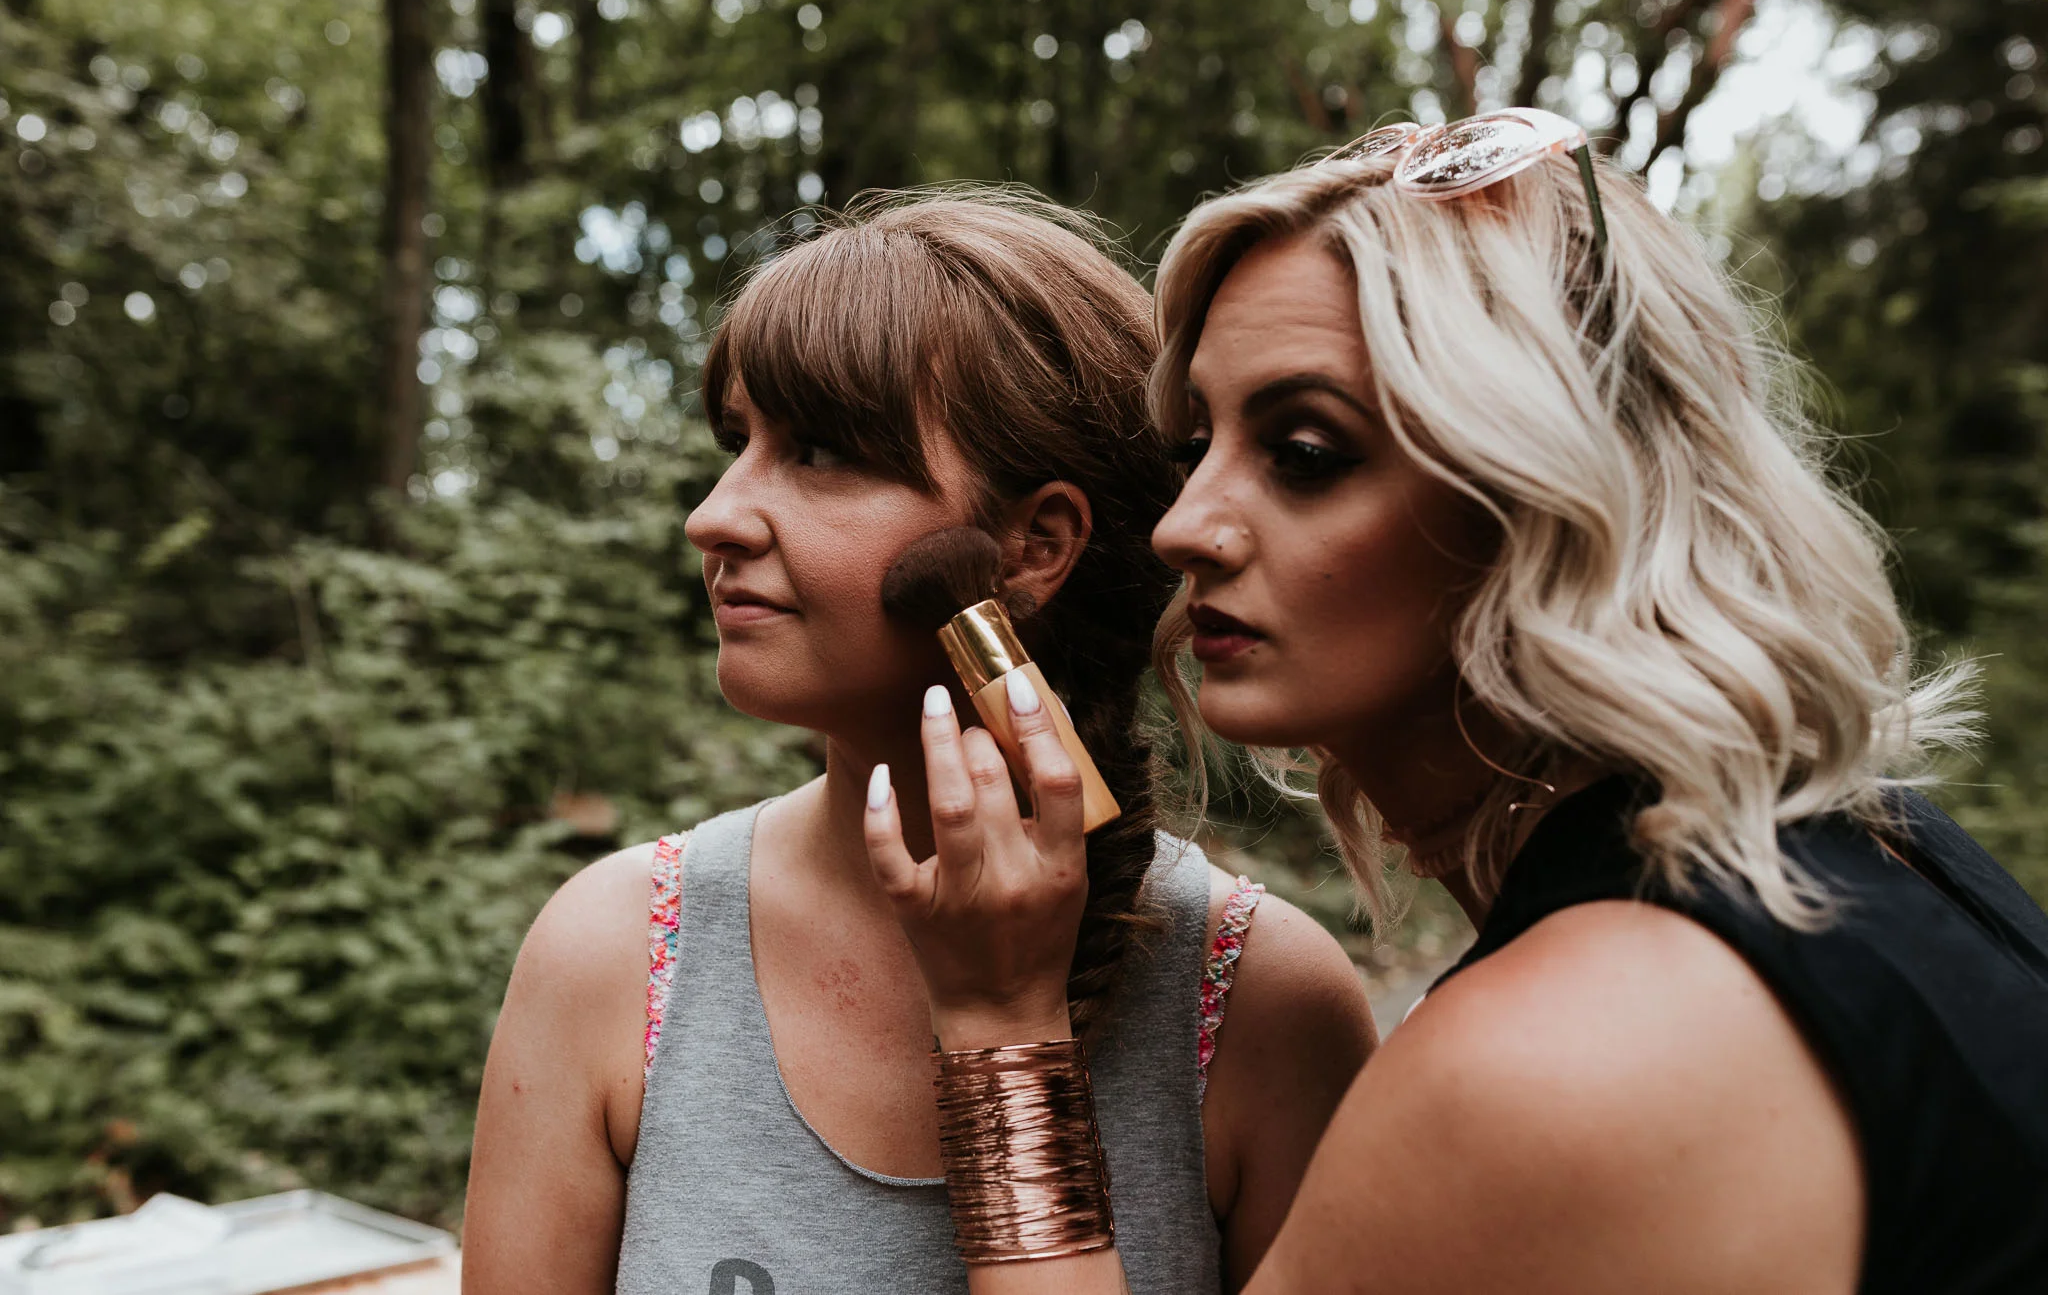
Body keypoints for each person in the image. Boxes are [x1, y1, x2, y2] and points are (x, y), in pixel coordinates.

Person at [862, 114, 2048, 1294]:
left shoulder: (1561, 1057)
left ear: (1542, 496)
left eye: (1307, 454)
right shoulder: (1863, 859)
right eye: (1196, 448)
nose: (1183, 528)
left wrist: (1001, 1032)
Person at [459, 191, 1376, 1295]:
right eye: (736, 442)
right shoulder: (612, 957)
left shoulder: (1262, 1009)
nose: (714, 513)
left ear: (1035, 545)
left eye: (821, 454)